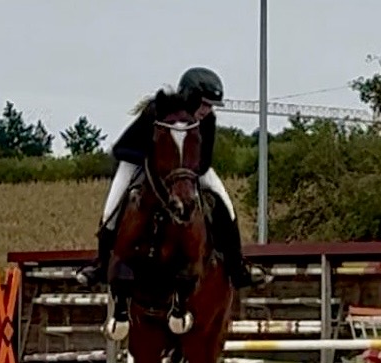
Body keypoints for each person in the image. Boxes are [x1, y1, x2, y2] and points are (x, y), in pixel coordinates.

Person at [77, 67, 258, 290]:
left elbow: (205, 159)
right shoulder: (156, 111)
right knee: (110, 209)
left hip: (187, 169)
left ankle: (237, 266)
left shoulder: (207, 120)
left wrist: (186, 172)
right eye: (204, 104)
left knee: (226, 204)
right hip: (137, 161)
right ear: (189, 96)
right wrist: (157, 166)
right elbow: (128, 147)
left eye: (211, 105)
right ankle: (101, 264)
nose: (207, 110)